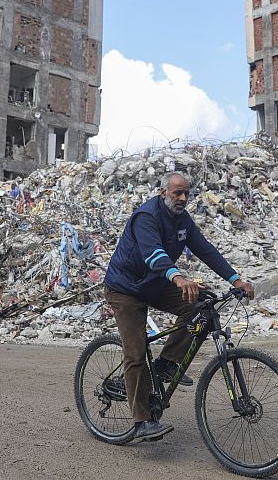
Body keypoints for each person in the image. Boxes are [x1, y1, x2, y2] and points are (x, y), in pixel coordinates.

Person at [104, 171, 255, 444]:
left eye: (187, 193)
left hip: (155, 283)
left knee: (200, 306)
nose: (183, 198)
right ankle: (140, 422)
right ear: (163, 193)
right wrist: (177, 277)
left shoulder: (182, 220)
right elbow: (153, 253)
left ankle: (165, 363)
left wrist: (236, 278)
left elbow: (205, 249)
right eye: (177, 193)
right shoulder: (146, 217)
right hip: (126, 288)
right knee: (136, 354)